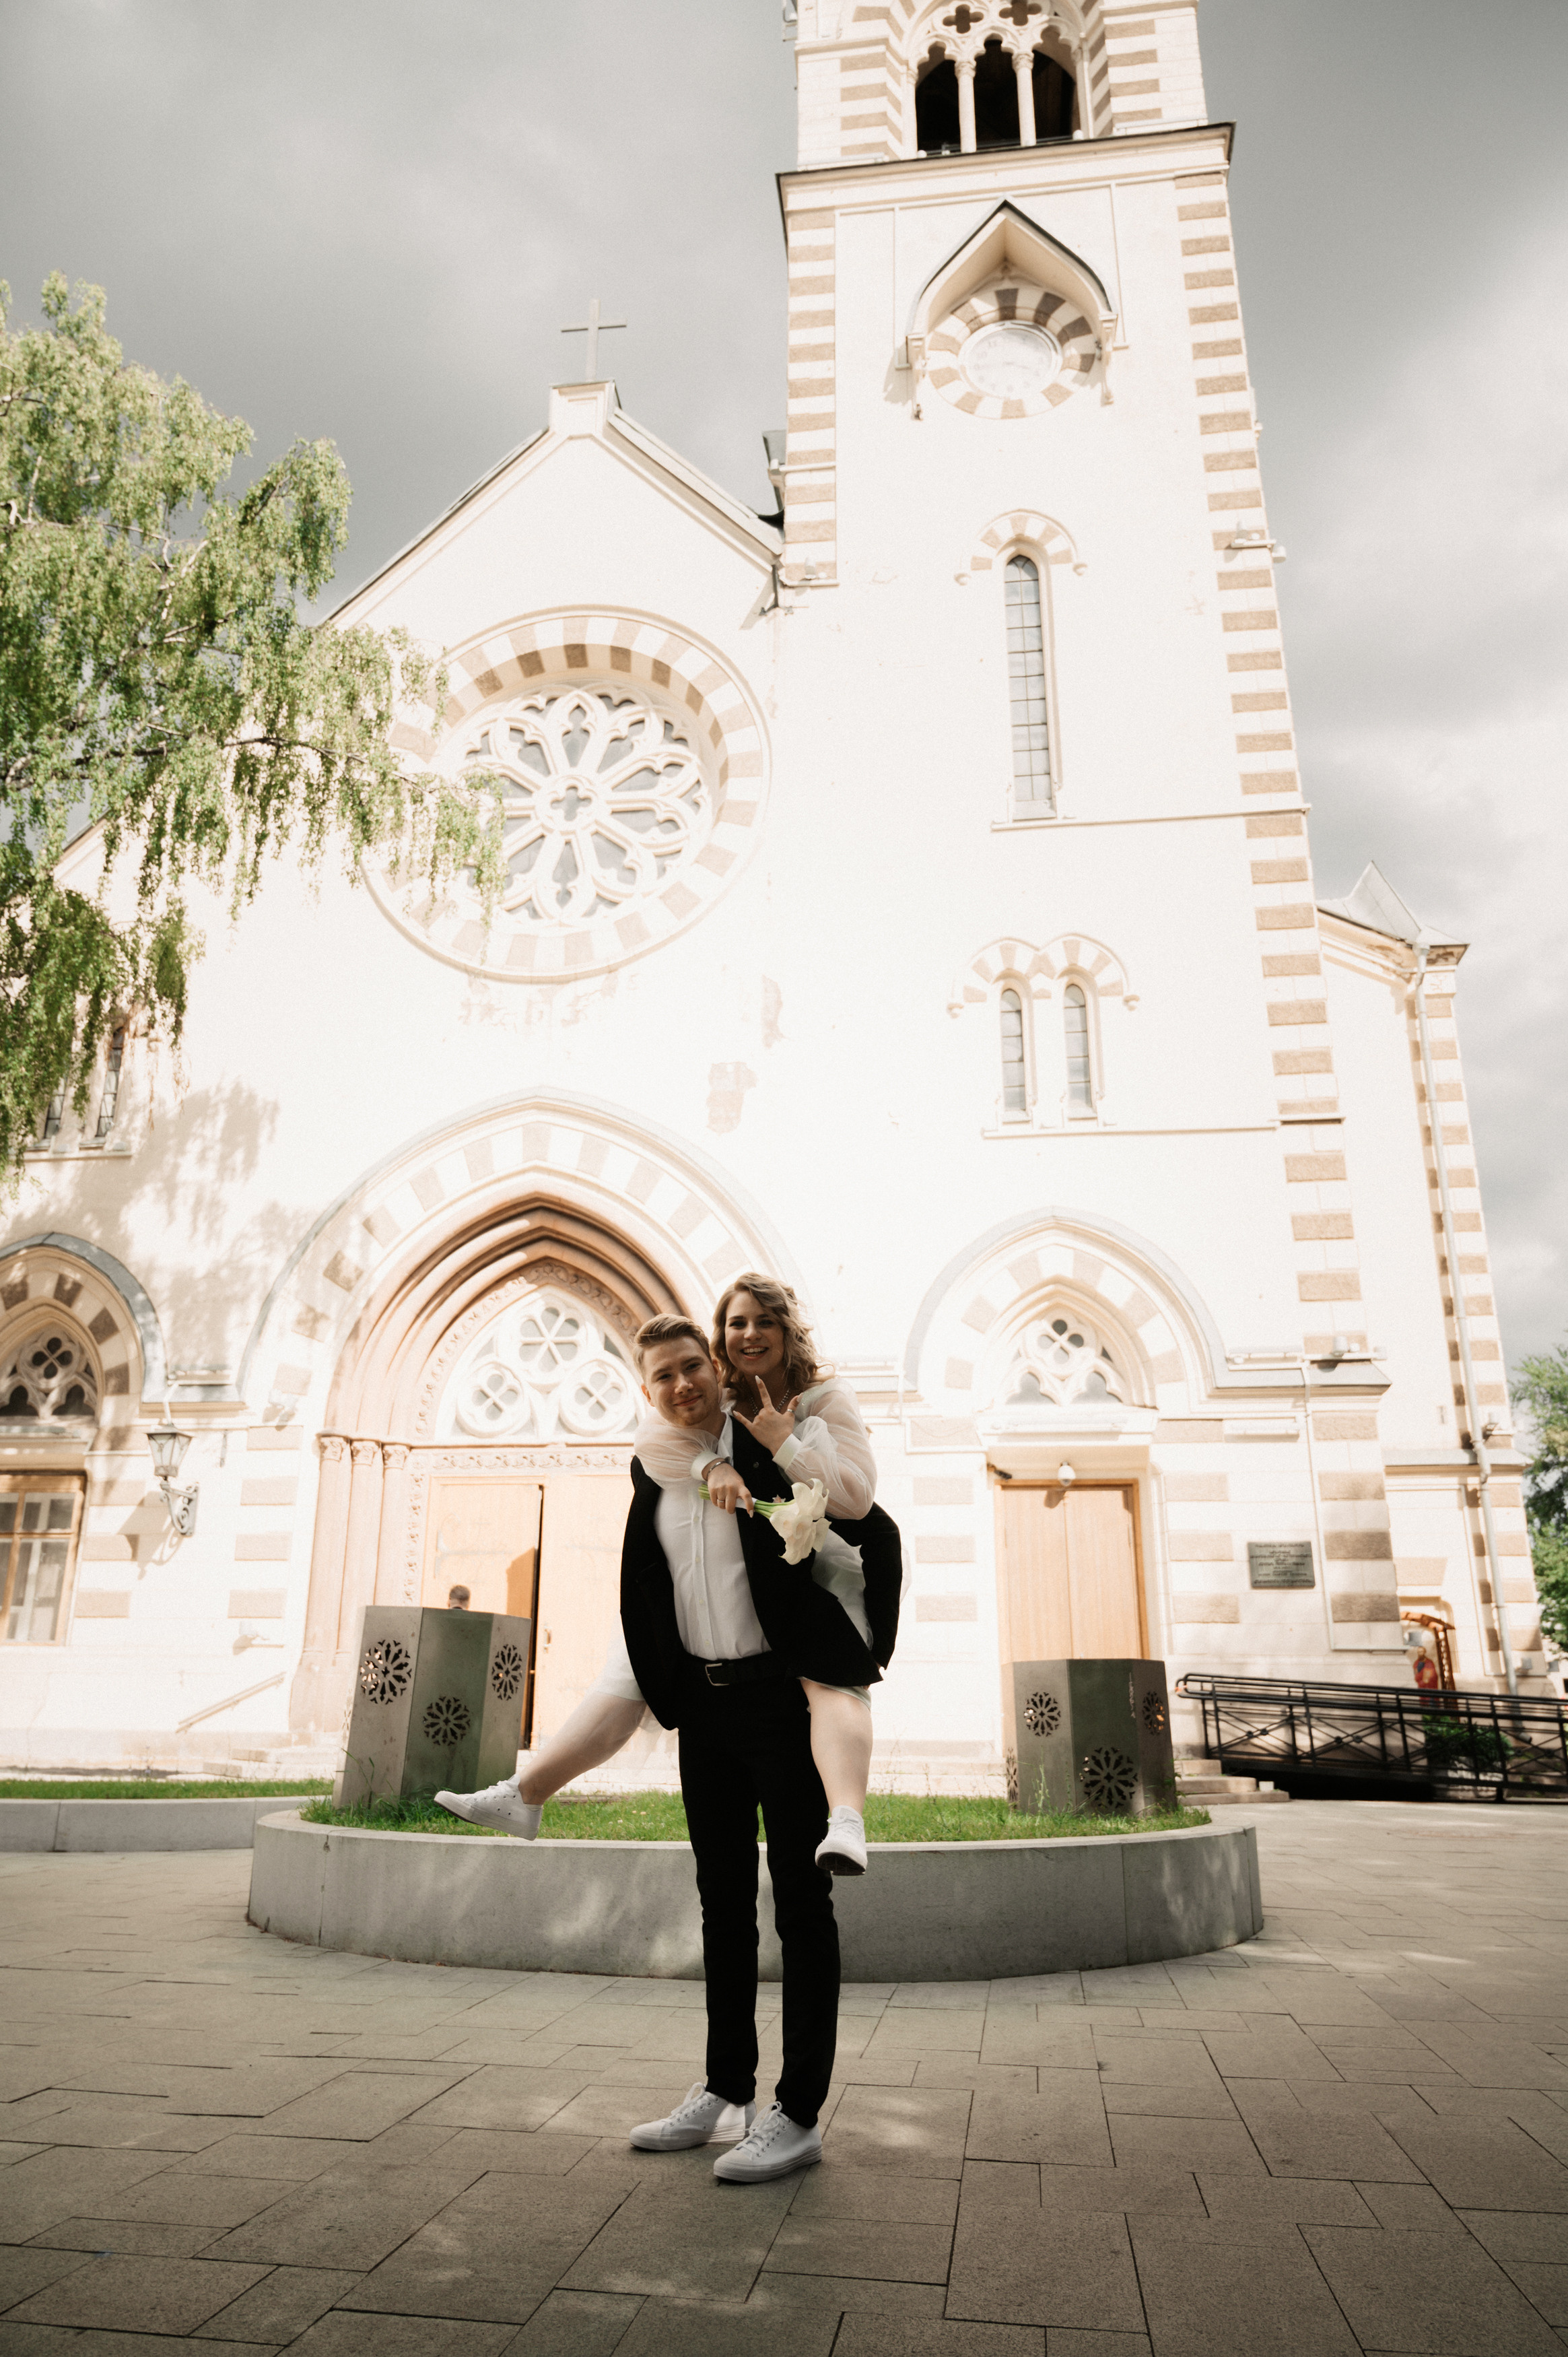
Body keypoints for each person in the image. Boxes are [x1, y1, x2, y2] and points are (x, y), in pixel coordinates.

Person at [436, 1310, 902, 2183]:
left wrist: (858, 1642)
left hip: (783, 1702)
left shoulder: (767, 1445)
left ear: (716, 1369)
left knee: (802, 1909)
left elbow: (857, 1516)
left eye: (693, 1366)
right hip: (708, 1710)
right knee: (721, 1905)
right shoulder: (655, 1466)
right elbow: (646, 1583)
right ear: (647, 1389)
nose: (682, 1384)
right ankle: (726, 2090)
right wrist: (662, 1683)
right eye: (663, 1375)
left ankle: (798, 2113)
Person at [631, 1275, 879, 1874]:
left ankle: (847, 1820)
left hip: (827, 1563)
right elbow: (651, 1436)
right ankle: (528, 1790)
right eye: (736, 1323)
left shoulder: (824, 1398)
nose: (750, 1334)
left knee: (832, 1678)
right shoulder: (720, 1397)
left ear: (787, 1330)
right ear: (721, 1337)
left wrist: (784, 1443)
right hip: (731, 1640)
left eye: (764, 1321)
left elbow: (856, 1501)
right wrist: (710, 1464)